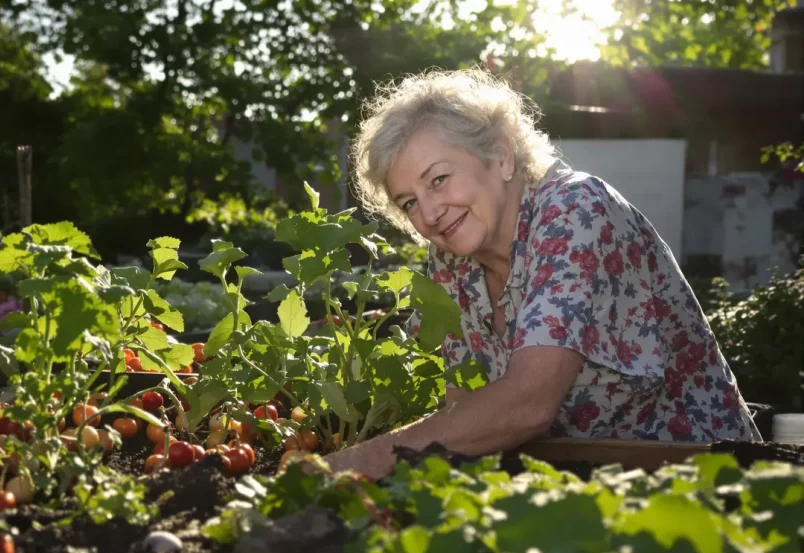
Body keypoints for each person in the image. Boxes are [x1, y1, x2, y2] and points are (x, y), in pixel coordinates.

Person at [324, 68, 761, 478]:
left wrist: (349, 465)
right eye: (409, 203)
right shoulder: (452, 261)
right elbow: (463, 419)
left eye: (438, 179)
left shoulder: (576, 210)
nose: (431, 213)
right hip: (578, 494)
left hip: (703, 486)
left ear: (501, 157)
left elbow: (527, 404)